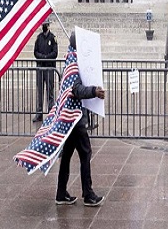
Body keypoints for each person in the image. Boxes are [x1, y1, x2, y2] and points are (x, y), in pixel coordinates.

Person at [55, 31, 105, 207]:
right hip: (74, 117)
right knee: (85, 153)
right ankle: (88, 194)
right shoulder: (75, 64)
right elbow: (75, 89)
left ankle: (61, 193)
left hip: (69, 117)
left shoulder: (70, 60)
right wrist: (94, 91)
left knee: (67, 155)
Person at [33, 18, 58, 122]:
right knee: (40, 91)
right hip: (40, 67)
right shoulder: (38, 38)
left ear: (48, 25)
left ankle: (50, 112)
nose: (43, 26)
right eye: (42, 24)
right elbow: (35, 52)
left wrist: (46, 57)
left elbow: (55, 53)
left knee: (50, 91)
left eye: (45, 24)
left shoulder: (53, 38)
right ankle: (39, 113)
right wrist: (41, 57)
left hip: (49, 68)